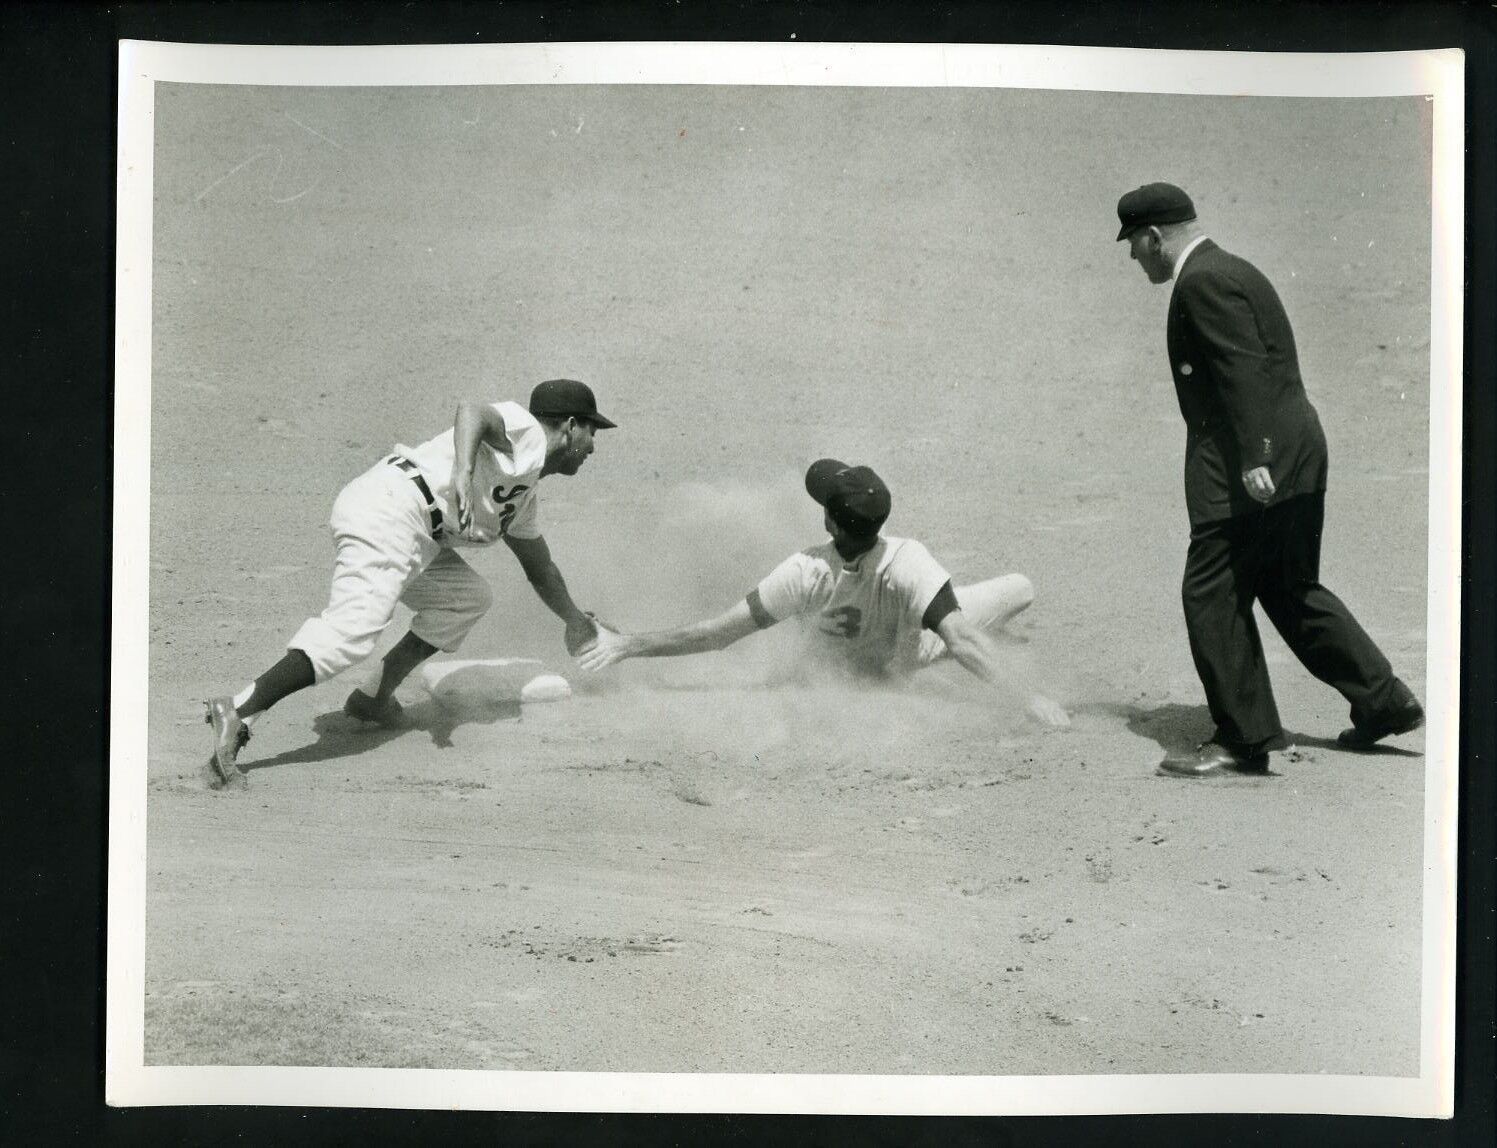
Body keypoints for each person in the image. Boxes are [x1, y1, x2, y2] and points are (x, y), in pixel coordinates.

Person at [1116, 181, 1424, 777]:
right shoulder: (1233, 268)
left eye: (1133, 244)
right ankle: (1382, 701)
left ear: (1154, 238)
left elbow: (1243, 373)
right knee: (1289, 585)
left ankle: (1242, 738)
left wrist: (1257, 456)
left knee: (1211, 594)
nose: (1133, 257)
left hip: (1245, 468)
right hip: (1299, 450)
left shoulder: (1201, 281)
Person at [204, 378, 617, 788]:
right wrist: (464, 471)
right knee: (351, 633)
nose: (593, 446)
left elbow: (540, 568)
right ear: (569, 425)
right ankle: (239, 711)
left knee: (468, 598)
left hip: (413, 531)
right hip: (391, 510)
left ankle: (373, 697)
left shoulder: (524, 497)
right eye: (591, 430)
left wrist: (574, 620)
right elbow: (472, 408)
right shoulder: (527, 434)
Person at [578, 459, 1070, 728]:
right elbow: (960, 639)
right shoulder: (908, 559)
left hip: (848, 674)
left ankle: (944, 622)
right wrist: (1027, 697)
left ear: (831, 522)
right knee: (1015, 591)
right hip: (912, 656)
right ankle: (951, 625)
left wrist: (629, 644)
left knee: (960, 621)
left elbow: (716, 634)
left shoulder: (804, 571)